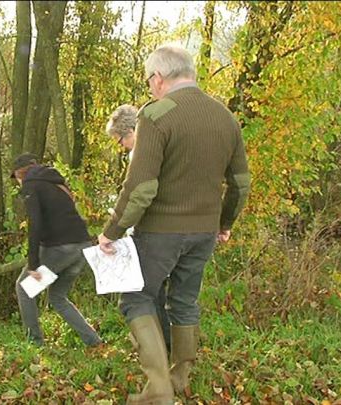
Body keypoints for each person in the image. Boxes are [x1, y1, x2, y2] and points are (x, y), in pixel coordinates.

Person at [98, 45, 250, 403]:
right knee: (183, 301)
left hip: (160, 232)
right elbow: (241, 183)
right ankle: (180, 377)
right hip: (204, 232)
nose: (150, 87)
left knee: (136, 298)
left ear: (159, 77)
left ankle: (159, 391)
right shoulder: (224, 116)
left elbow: (141, 187)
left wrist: (112, 231)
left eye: (150, 80)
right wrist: (225, 222)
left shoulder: (156, 114)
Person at [12, 152, 103, 348]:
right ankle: (93, 341)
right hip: (82, 247)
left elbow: (35, 224)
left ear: (20, 174)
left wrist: (34, 264)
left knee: (24, 288)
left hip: (60, 248)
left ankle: (34, 342)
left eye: (17, 179)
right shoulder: (56, 182)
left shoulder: (30, 185)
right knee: (57, 296)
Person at [107, 104, 173, 353]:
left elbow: (139, 195)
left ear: (133, 130)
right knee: (161, 294)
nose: (121, 144)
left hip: (149, 232)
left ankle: (156, 351)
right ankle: (169, 347)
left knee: (139, 296)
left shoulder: (141, 154)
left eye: (121, 138)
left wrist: (117, 224)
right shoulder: (163, 146)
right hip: (169, 230)